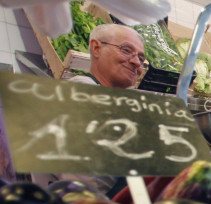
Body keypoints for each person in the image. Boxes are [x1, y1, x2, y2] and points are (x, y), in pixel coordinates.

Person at [32, 23, 146, 195]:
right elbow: (88, 179)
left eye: (141, 58)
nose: (136, 62)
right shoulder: (81, 90)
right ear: (96, 48)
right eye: (126, 50)